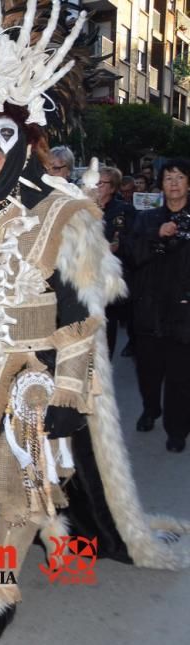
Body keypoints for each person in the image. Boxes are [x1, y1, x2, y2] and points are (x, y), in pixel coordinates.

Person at [0, 0, 190, 645]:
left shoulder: (61, 212)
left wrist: (68, 391)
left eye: (5, 138)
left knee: (16, 482)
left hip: (29, 376)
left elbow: (79, 316)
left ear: (26, 137)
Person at [127, 158, 190, 453]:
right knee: (149, 371)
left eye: (179, 177)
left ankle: (177, 430)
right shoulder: (146, 219)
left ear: (188, 183)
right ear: (161, 185)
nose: (174, 183)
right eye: (168, 178)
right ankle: (151, 408)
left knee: (180, 374)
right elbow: (133, 256)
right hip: (150, 308)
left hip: (183, 310)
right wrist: (157, 235)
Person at [96, 166, 136, 357]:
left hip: (109, 277)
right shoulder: (83, 207)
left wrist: (119, 244)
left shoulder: (124, 210)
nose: (96, 186)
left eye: (101, 183)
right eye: (94, 182)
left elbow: (133, 240)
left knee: (107, 323)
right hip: (85, 275)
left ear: (112, 188)